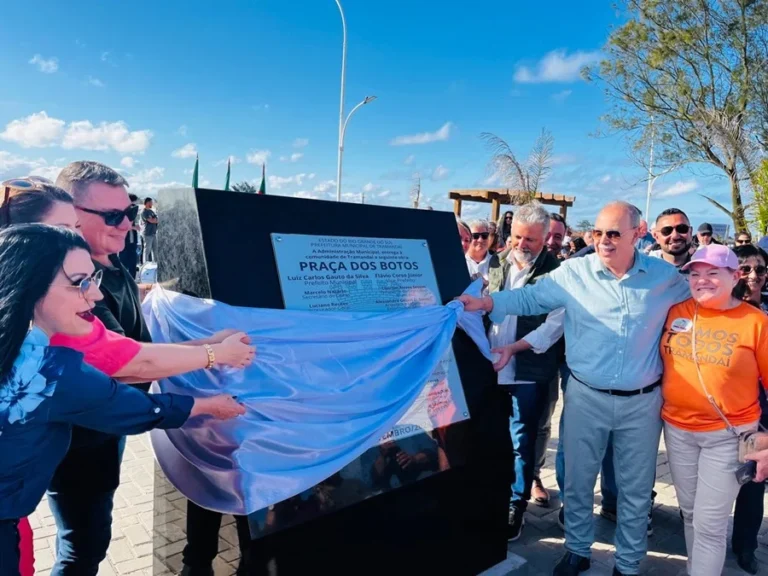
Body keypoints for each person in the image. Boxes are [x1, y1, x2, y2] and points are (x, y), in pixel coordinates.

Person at [459, 201, 690, 576]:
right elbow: (529, 297)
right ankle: (577, 550)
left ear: (638, 232)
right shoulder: (574, 272)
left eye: (614, 234)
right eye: (598, 233)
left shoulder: (666, 279)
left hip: (642, 404)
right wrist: (485, 302)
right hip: (585, 396)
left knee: (634, 492)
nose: (604, 242)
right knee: (579, 482)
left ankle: (629, 564)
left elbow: (703, 306)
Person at [0, 224, 245, 574]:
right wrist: (208, 403)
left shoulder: (29, 351)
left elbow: (129, 360)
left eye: (94, 279)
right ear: (30, 284)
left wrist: (209, 349)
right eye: (81, 281)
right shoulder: (47, 371)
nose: (96, 296)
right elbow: (129, 404)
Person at [660, 244, 768, 576]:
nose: (701, 280)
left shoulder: (756, 322)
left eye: (712, 273)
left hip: (728, 437)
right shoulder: (677, 312)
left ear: (735, 276)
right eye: (695, 274)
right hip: (677, 432)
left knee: (709, 523)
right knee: (691, 514)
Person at [486, 202, 564, 541]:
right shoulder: (495, 264)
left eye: (530, 239)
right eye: (517, 236)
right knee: (490, 435)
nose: (521, 244)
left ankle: (515, 504)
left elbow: (553, 328)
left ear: (545, 238)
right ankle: (489, 493)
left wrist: (513, 349)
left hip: (527, 371)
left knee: (522, 439)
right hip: (490, 368)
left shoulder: (557, 273)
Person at [730, 244, 768, 574]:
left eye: (760, 270)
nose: (753, 276)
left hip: (759, 419)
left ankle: (746, 546)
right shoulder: (718, 310)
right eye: (745, 269)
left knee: (753, 484)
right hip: (719, 417)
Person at [465, 219, 495, 290]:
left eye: (484, 236)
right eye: (475, 236)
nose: (480, 240)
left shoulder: (497, 262)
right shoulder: (459, 262)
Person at [118, 193, 141, 277]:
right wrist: (134, 227)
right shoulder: (122, 212)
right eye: (133, 203)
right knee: (123, 261)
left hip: (132, 241)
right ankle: (123, 279)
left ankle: (132, 279)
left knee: (133, 261)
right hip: (123, 241)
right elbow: (121, 226)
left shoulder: (133, 212)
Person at [141, 197, 158, 263]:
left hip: (153, 233)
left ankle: (156, 263)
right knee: (147, 250)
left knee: (155, 250)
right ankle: (145, 263)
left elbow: (157, 220)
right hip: (147, 234)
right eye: (151, 202)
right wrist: (154, 220)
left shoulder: (151, 211)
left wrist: (155, 220)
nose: (152, 203)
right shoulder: (144, 212)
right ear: (147, 203)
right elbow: (151, 220)